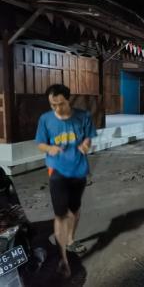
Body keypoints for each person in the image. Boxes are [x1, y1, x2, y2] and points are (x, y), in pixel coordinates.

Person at [35, 84, 97, 277]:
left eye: (60, 104)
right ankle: (63, 257)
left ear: (68, 100)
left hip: (78, 171)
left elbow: (89, 138)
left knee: (75, 210)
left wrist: (86, 144)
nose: (56, 109)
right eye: (52, 105)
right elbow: (40, 144)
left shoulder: (83, 116)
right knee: (61, 214)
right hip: (57, 171)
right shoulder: (45, 119)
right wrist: (49, 149)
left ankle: (71, 240)